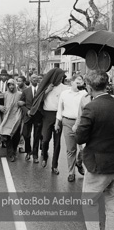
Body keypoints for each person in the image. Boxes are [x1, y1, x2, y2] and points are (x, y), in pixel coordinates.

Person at [75, 71, 114, 230]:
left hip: (97, 165)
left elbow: (80, 138)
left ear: (89, 88)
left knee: (89, 203)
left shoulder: (91, 107)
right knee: (112, 203)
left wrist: (78, 128)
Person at [30, 68, 68, 175]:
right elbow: (38, 100)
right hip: (47, 115)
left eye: (62, 77)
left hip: (58, 115)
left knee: (57, 142)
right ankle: (45, 156)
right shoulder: (46, 86)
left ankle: (54, 165)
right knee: (45, 139)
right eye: (60, 77)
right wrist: (47, 91)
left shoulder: (64, 88)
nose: (61, 79)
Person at [55, 75, 87, 182]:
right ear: (71, 82)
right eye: (77, 82)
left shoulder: (85, 94)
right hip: (67, 122)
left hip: (82, 123)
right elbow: (60, 109)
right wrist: (57, 123)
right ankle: (71, 173)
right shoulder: (64, 94)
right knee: (71, 149)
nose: (79, 84)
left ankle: (79, 162)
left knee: (84, 148)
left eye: (81, 82)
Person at [0, 79, 23, 162]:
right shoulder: (4, 94)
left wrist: (23, 103)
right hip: (7, 117)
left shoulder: (20, 94)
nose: (11, 86)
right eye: (9, 85)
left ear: (15, 85)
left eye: (12, 84)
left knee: (16, 136)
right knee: (8, 136)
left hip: (17, 118)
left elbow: (25, 102)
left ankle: (14, 150)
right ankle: (10, 154)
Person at [19, 74, 42, 163]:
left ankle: (35, 155)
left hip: (38, 116)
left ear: (38, 80)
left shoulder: (41, 90)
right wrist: (26, 111)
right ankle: (28, 151)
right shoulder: (25, 91)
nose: (34, 79)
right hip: (28, 116)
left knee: (36, 136)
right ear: (30, 80)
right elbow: (21, 104)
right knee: (26, 135)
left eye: (36, 78)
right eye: (33, 78)